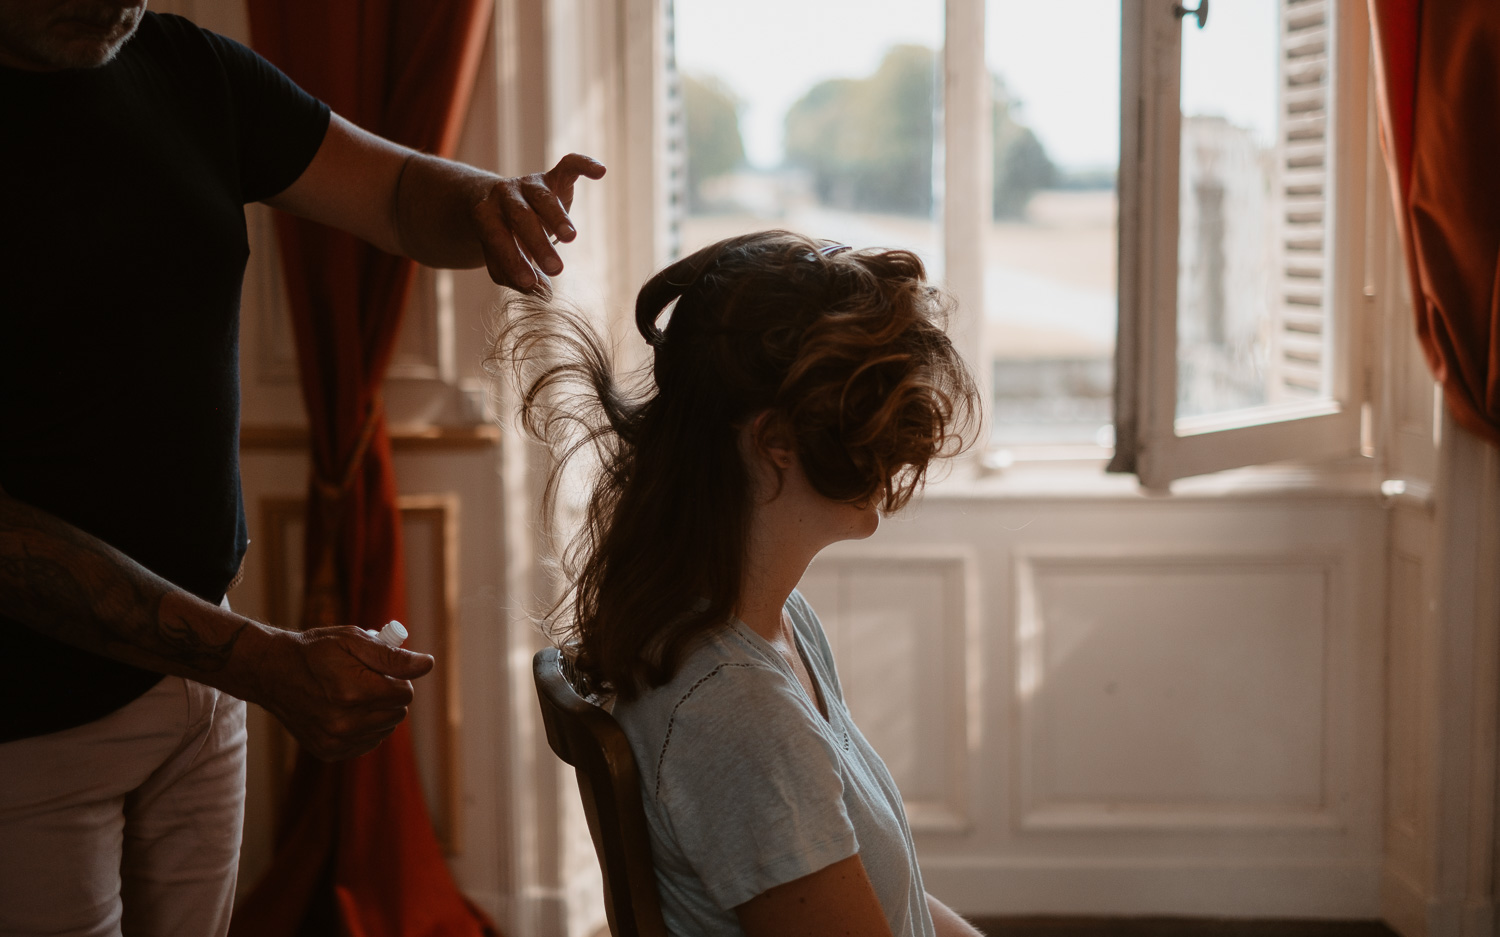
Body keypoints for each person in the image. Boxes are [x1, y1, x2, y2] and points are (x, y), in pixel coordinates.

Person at [0, 2, 604, 935]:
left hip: (205, 688)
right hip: (26, 730)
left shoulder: (188, 68)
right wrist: (260, 661)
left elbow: (401, 194)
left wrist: (485, 202)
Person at [493, 230, 987, 936]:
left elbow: (890, 899)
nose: (893, 452)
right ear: (774, 441)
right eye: (864, 416)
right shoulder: (735, 711)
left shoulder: (770, 623)